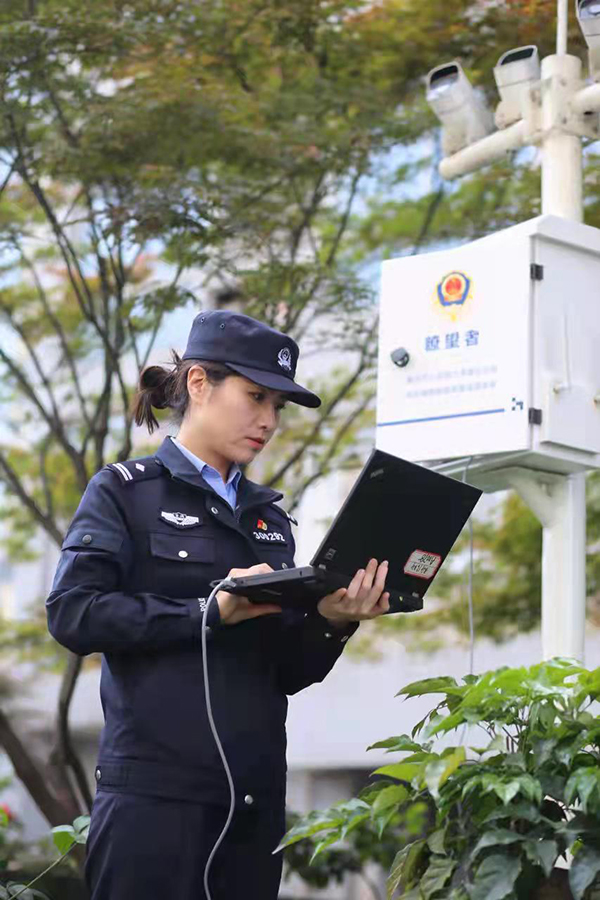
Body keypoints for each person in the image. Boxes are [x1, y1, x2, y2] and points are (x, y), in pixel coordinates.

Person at [46, 309, 390, 900]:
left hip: (252, 807)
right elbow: (73, 613)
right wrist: (206, 612)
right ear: (199, 384)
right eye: (255, 396)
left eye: (277, 406)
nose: (268, 420)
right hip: (153, 803)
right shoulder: (124, 492)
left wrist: (335, 621)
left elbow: (285, 670)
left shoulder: (270, 520)